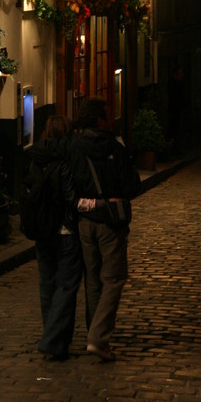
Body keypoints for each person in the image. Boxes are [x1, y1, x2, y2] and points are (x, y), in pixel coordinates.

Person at [69, 98, 141, 362]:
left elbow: (71, 183)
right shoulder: (115, 146)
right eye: (107, 116)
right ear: (100, 120)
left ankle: (94, 333)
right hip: (110, 222)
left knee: (93, 279)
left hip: (85, 220)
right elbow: (132, 186)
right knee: (114, 278)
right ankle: (98, 338)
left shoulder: (74, 147)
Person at [29, 115, 82, 361]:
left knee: (47, 284)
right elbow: (71, 197)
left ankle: (57, 341)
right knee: (67, 285)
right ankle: (52, 339)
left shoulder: (35, 159)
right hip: (64, 231)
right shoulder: (65, 161)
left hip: (42, 231)